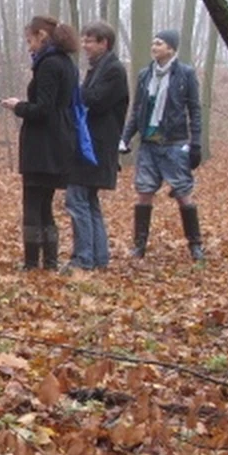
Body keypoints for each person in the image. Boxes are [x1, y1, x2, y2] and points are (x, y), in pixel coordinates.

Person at [1, 16, 79, 270]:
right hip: (59, 140)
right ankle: (50, 261)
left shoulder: (49, 64)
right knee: (45, 205)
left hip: (44, 144)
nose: (29, 46)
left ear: (41, 36)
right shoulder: (66, 63)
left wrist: (18, 106)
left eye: (29, 40)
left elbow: (44, 108)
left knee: (33, 204)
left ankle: (33, 262)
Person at [119, 30, 205, 261]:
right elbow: (137, 109)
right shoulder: (145, 74)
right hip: (148, 144)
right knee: (144, 193)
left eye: (159, 43)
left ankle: (196, 245)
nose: (154, 46)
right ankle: (139, 246)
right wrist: (125, 137)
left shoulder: (185, 74)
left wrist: (196, 143)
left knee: (183, 194)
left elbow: (194, 110)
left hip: (175, 144)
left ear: (171, 49)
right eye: (153, 42)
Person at [64, 21, 129, 270]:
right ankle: (98, 257)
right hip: (90, 145)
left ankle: (84, 258)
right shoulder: (97, 68)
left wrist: (71, 92)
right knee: (88, 201)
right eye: (84, 40)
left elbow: (94, 100)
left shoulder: (113, 70)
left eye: (90, 41)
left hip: (96, 147)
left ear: (104, 43)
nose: (85, 46)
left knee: (77, 199)